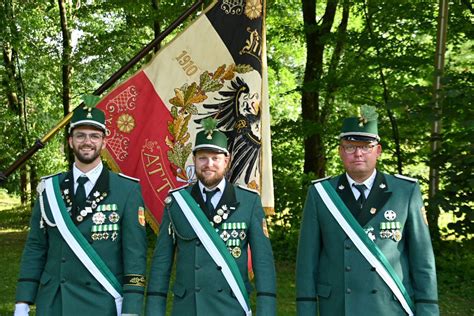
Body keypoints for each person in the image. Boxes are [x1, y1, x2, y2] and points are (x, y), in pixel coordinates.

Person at [296, 106, 439, 316]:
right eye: (350, 147)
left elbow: (422, 260)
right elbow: (306, 263)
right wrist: (306, 310)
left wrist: (428, 310)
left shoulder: (405, 191)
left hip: (390, 307)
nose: (358, 154)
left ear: (378, 151)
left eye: (366, 147)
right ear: (340, 151)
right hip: (339, 308)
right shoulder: (321, 194)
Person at [14, 102, 147, 316]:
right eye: (80, 136)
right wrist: (23, 300)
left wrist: (131, 308)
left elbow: (135, 255)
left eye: (94, 136)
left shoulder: (126, 190)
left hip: (102, 301)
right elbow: (35, 247)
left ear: (104, 142)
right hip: (55, 301)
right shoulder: (50, 189)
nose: (87, 142)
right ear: (70, 141)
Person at [146, 118, 276, 316]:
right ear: (195, 160)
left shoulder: (248, 202)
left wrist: (266, 311)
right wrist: (155, 309)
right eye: (203, 158)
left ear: (227, 160)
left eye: (216, 158)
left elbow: (263, 262)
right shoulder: (177, 202)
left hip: (231, 307)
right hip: (189, 308)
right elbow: (161, 261)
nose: (209, 164)